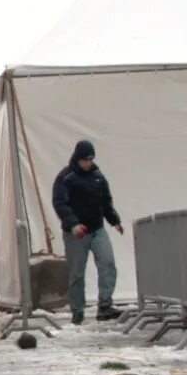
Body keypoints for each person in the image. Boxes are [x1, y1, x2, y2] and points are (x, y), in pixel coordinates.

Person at [51, 139, 125, 325]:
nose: (88, 163)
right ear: (77, 158)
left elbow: (106, 202)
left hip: (97, 228)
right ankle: (77, 310)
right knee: (77, 272)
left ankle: (105, 305)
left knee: (107, 263)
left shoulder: (98, 177)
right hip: (76, 232)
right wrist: (73, 223)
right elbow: (60, 203)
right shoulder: (65, 178)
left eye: (91, 160)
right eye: (85, 160)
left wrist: (114, 220)